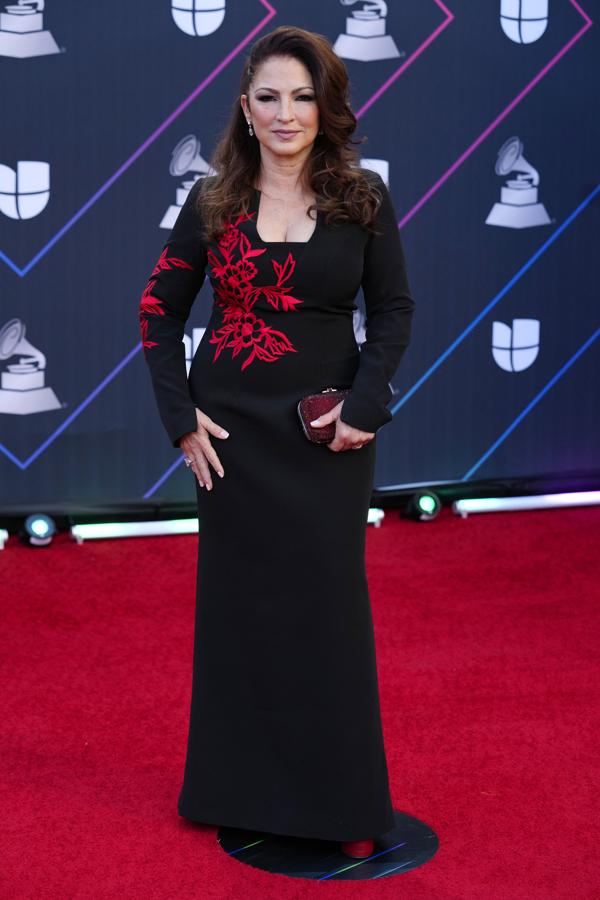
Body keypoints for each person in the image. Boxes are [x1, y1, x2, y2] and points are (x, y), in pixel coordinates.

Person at [139, 25, 415, 859]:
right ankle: (238, 792)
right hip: (234, 447)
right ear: (245, 109)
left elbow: (394, 311)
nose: (286, 113)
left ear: (325, 106)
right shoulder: (212, 204)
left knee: (327, 616)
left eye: (302, 96)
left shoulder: (362, 198)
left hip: (328, 441)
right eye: (269, 97)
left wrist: (366, 405)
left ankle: (335, 801)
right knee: (241, 618)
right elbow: (159, 312)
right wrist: (180, 419)